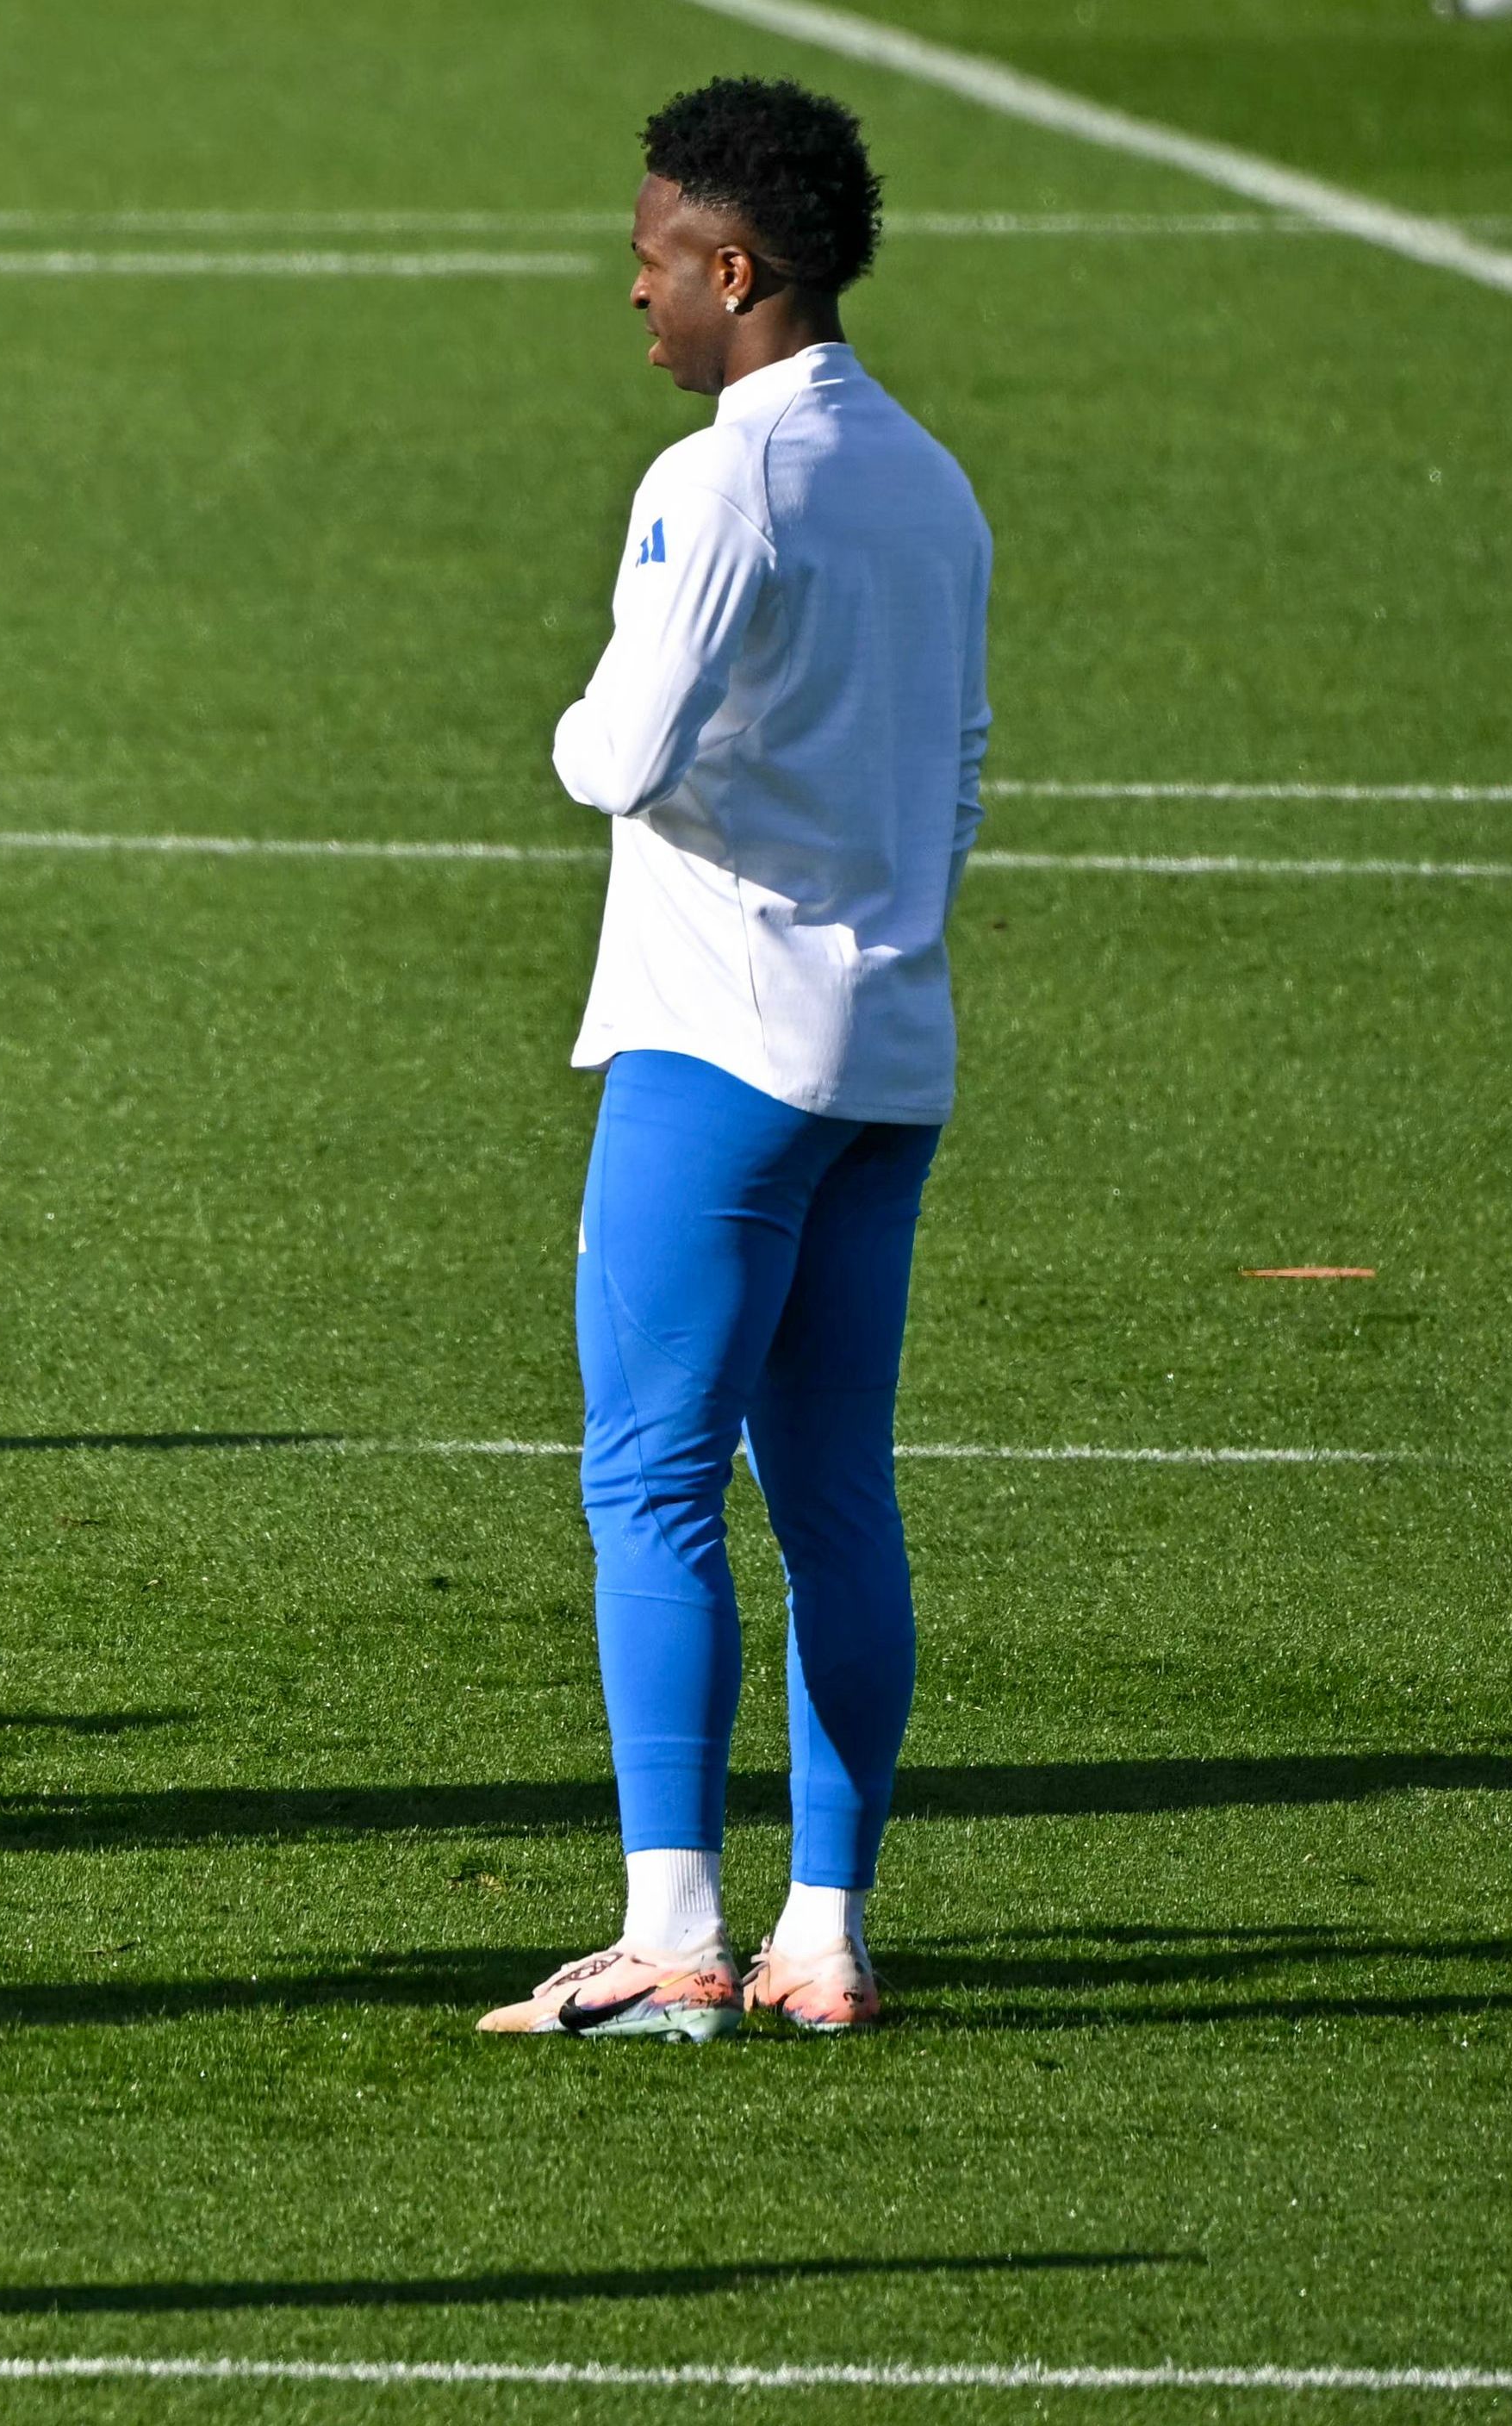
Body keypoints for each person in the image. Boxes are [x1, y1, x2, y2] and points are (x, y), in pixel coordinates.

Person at [484, 79, 991, 2040]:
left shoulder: (717, 482)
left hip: (720, 1049)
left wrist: (589, 723)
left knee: (651, 1479)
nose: (633, 294)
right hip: (890, 1049)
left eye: (652, 262)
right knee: (838, 1490)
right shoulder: (929, 480)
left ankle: (673, 1936)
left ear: (733, 266)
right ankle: (824, 1933)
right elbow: (954, 775)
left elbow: (611, 755)